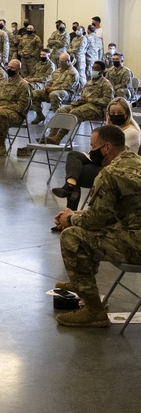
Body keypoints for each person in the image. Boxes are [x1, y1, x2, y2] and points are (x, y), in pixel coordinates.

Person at [51, 125, 141, 327]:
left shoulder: (110, 173)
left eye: (93, 146)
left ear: (107, 148)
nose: (90, 151)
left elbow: (95, 221)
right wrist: (75, 213)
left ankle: (94, 311)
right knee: (88, 230)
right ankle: (81, 282)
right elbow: (109, 213)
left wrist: (70, 220)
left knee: (73, 236)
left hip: (136, 245)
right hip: (133, 233)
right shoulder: (136, 161)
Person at [50, 98, 140, 217]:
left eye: (119, 113)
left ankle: (69, 211)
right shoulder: (112, 128)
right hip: (102, 161)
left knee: (78, 173)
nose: (115, 116)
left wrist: (107, 129)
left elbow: (110, 152)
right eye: (112, 113)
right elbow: (99, 150)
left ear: (127, 114)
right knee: (73, 155)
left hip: (115, 168)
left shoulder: (131, 132)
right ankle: (70, 187)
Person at [42, 61, 114, 145]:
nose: (93, 70)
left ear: (101, 71)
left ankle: (58, 138)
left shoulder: (106, 84)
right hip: (83, 105)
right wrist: (81, 101)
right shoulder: (89, 83)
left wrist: (89, 100)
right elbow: (83, 95)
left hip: (97, 109)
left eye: (96, 69)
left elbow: (107, 101)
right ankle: (52, 136)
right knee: (60, 110)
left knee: (75, 113)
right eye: (93, 68)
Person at [28, 52, 79, 125]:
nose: (60, 63)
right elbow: (50, 80)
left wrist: (53, 89)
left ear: (68, 61)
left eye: (62, 62)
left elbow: (67, 86)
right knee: (34, 93)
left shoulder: (73, 72)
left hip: (67, 92)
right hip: (52, 90)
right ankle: (39, 115)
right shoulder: (58, 70)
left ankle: (58, 118)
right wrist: (47, 87)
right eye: (59, 61)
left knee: (54, 95)